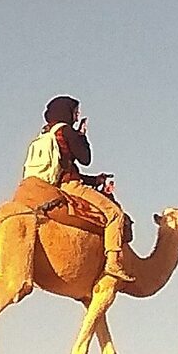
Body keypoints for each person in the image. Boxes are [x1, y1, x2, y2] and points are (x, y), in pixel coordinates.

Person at [23, 95, 132, 281]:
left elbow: (66, 168)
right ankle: (113, 262)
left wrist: (95, 180)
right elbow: (85, 159)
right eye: (75, 111)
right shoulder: (67, 132)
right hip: (70, 187)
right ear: (67, 112)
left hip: (54, 185)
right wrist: (82, 136)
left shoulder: (46, 134)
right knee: (115, 214)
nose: (77, 115)